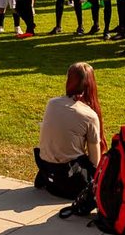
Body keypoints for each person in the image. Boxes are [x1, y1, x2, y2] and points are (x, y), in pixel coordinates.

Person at [34, 63, 103, 199]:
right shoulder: (89, 115)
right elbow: (95, 161)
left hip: (47, 174)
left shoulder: (52, 104)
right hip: (71, 182)